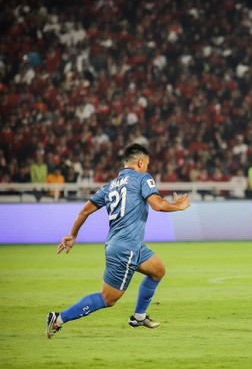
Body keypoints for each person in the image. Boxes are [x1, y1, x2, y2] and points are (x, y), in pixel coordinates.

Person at [45, 143, 191, 338]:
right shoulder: (143, 178)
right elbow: (157, 204)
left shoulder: (110, 185)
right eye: (146, 164)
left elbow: (85, 211)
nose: (147, 168)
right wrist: (177, 207)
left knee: (157, 270)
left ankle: (139, 317)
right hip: (126, 248)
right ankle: (57, 319)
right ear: (140, 162)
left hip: (129, 244)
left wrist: (73, 234)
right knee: (108, 298)